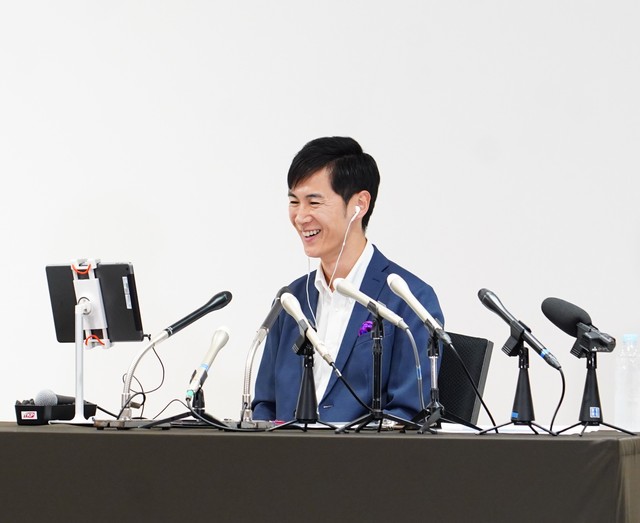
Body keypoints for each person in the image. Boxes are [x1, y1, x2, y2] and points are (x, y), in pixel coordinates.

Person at [252, 136, 444, 423]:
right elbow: (266, 405)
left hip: (363, 452)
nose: (301, 217)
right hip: (287, 451)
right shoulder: (290, 300)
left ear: (359, 205)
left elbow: (408, 414)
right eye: (294, 202)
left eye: (313, 202)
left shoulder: (409, 299)